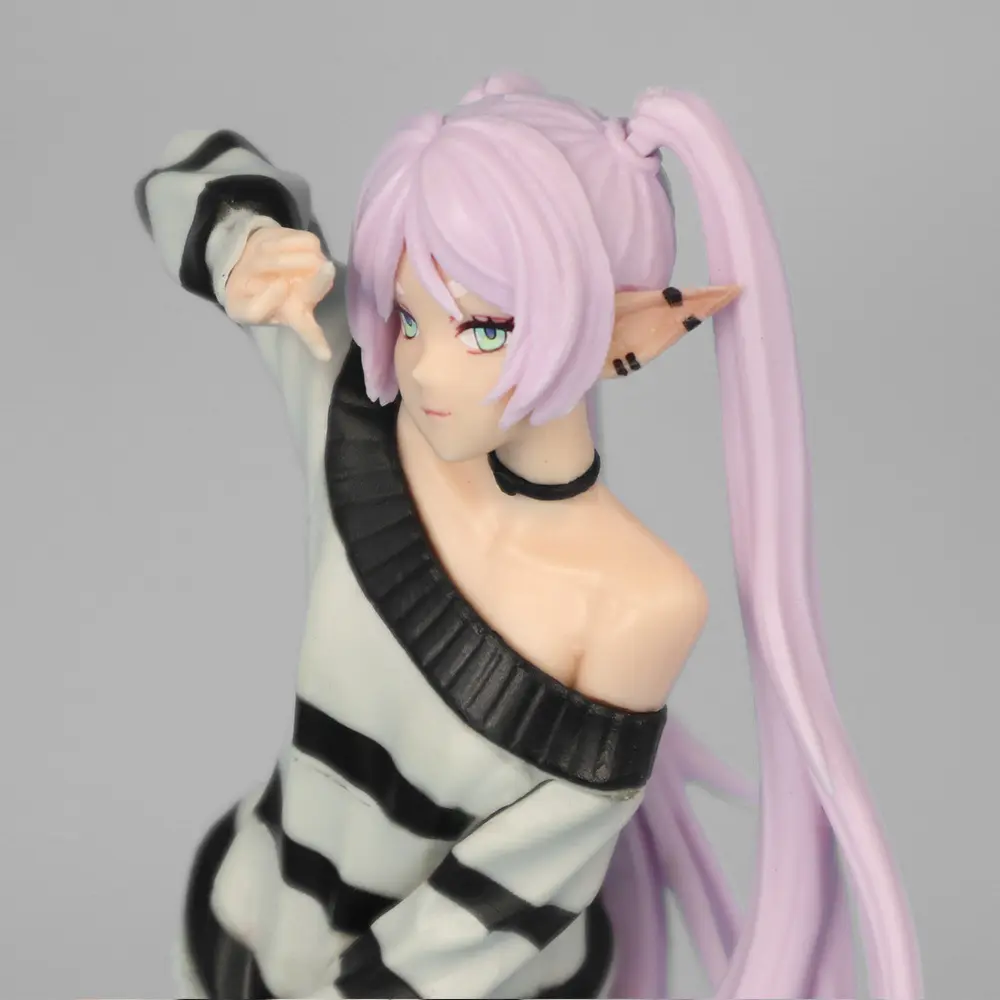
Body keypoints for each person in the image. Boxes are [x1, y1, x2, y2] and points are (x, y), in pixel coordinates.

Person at [134, 73, 923, 999]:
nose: (424, 366)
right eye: (410, 315)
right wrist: (245, 244)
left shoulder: (641, 604)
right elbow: (186, 170)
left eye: (484, 329)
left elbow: (498, 910)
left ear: (631, 329)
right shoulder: (357, 397)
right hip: (244, 923)